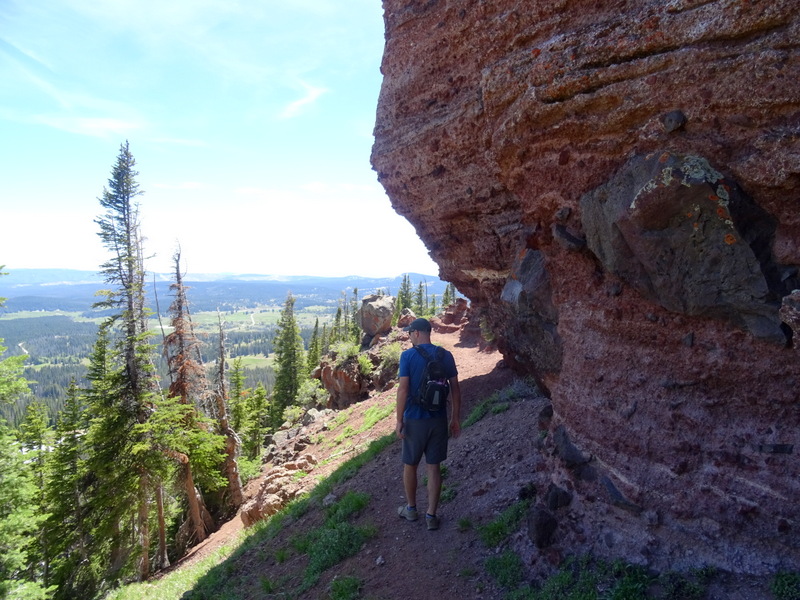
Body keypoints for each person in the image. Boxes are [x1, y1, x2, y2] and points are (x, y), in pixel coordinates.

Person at [395, 317, 461, 530]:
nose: (409, 337)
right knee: (434, 467)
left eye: (409, 333)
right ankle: (431, 516)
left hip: (414, 419)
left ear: (415, 333)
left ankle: (411, 510)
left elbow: (403, 390)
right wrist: (455, 418)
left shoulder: (407, 356)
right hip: (438, 419)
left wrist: (398, 420)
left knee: (410, 465)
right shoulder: (445, 355)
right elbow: (455, 389)